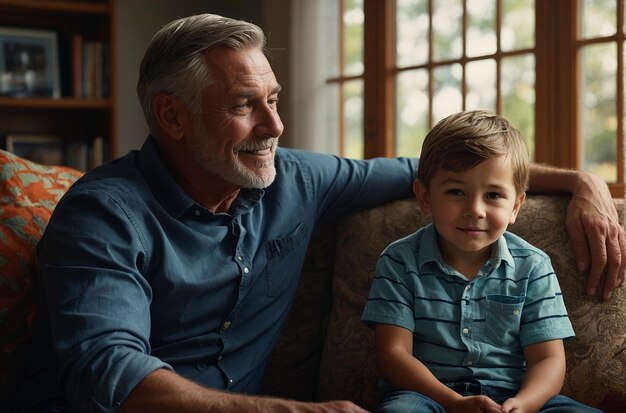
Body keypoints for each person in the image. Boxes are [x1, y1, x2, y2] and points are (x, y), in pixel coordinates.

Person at [16, 13, 622, 413]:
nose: (275, 126)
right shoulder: (104, 214)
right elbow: (110, 371)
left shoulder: (298, 178)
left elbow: (439, 166)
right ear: (173, 117)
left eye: (274, 99)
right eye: (243, 105)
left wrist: (580, 180)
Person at [361, 110, 602, 413]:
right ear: (424, 197)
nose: (475, 209)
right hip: (427, 396)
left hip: (514, 397)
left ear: (515, 206)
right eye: (456, 191)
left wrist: (523, 405)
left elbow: (548, 360)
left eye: (493, 195)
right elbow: (392, 354)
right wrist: (453, 402)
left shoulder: (534, 266)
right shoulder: (399, 261)